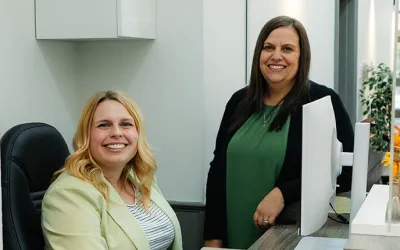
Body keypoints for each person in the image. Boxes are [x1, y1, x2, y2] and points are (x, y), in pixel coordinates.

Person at [203, 15, 354, 249]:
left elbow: (345, 172)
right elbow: (217, 172)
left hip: (288, 235)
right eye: (268, 47)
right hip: (233, 233)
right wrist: (213, 237)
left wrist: (284, 193)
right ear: (258, 55)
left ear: (301, 56)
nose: (276, 56)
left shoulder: (323, 101)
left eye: (287, 49)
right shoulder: (239, 101)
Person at [41, 90, 183, 250]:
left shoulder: (139, 177)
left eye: (126, 124)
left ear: (138, 134)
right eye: (104, 125)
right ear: (86, 135)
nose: (116, 132)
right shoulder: (67, 194)